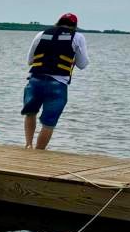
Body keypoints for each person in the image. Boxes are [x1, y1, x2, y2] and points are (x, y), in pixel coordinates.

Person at [22, 13, 89, 150]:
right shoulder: (77, 37)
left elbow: (30, 60)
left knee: (30, 113)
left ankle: (28, 145)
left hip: (35, 80)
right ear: (74, 26)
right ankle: (39, 152)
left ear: (57, 22)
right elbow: (82, 64)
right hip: (57, 83)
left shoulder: (41, 34)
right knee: (49, 122)